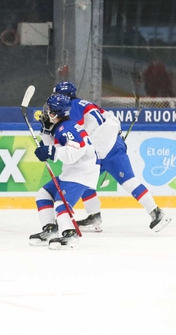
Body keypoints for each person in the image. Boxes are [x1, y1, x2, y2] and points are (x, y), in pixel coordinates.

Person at [53, 81, 171, 233]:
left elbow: (79, 129)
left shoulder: (72, 106)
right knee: (85, 180)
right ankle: (94, 217)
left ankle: (157, 212)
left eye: (57, 94)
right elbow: (109, 117)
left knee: (128, 182)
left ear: (64, 95)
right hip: (101, 149)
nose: (55, 98)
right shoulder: (84, 103)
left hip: (109, 149)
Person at [29, 93, 100, 249]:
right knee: (43, 194)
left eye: (49, 109)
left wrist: (50, 152)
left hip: (82, 172)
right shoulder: (61, 127)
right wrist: (46, 132)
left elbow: (75, 152)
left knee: (61, 203)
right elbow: (55, 146)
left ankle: (70, 234)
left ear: (56, 112)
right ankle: (50, 229)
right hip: (72, 171)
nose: (46, 112)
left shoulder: (66, 127)